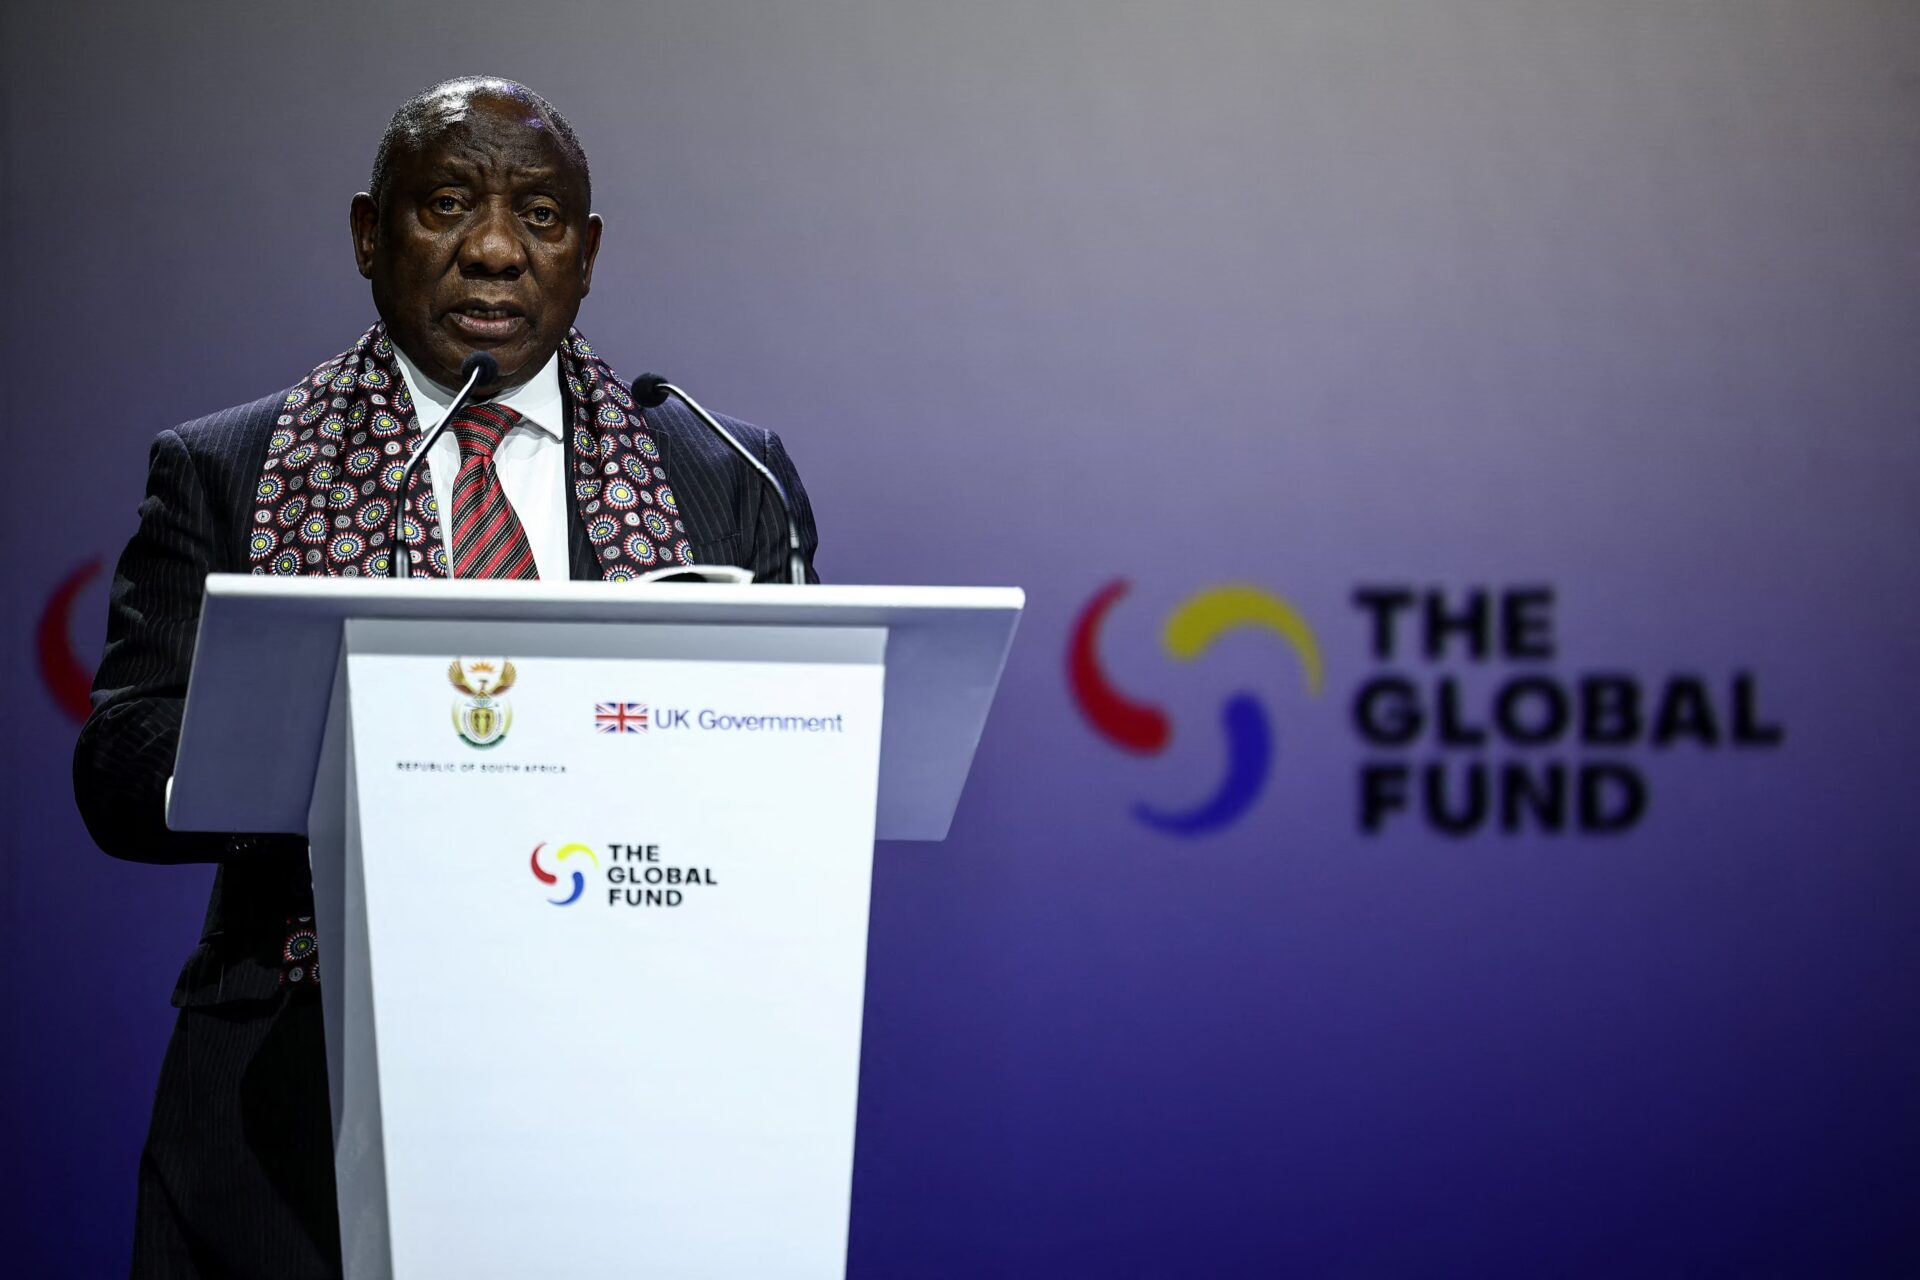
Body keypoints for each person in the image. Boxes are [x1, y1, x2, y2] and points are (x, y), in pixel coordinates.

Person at [73, 75, 819, 1278]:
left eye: (540, 215)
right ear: (370, 234)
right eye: (447, 205)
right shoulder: (232, 466)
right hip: (291, 1105)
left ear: (587, 254)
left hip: (641, 1082)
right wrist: (320, 752)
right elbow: (118, 767)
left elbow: (801, 767)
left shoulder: (724, 471)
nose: (494, 250)